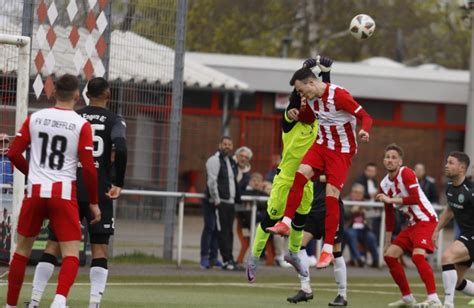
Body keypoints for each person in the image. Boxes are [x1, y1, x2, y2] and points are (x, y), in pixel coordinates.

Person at [27, 77, 128, 308]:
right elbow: (120, 147)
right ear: (108, 94)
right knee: (99, 248)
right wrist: (117, 182)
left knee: (54, 244)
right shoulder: (115, 120)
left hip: (69, 187)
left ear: (84, 94)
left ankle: (34, 300)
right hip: (99, 189)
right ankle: (93, 304)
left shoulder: (76, 116)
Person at [267, 57, 373, 269]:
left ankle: (327, 250)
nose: (301, 94)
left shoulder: (339, 95)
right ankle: (285, 223)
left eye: (301, 90)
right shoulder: (311, 97)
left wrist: (364, 131)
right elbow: (309, 117)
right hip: (322, 145)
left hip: (341, 152)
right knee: (299, 175)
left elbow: (366, 117)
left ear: (311, 83)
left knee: (331, 196)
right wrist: (295, 113)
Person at [5, 74, 100, 308]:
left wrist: (33, 174)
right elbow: (88, 167)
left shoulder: (35, 118)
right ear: (77, 96)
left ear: (53, 92)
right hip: (63, 194)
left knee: (22, 250)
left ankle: (10, 305)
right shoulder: (81, 124)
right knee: (70, 253)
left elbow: (13, 153)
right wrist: (94, 201)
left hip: (35, 192)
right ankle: (59, 301)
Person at [246, 56, 331, 283]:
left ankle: (293, 254)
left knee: (299, 221)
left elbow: (322, 94)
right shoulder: (290, 119)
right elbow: (298, 92)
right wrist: (305, 69)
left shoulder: (316, 123)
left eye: (307, 99)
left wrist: (325, 72)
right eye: (301, 99)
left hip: (307, 181)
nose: (305, 101)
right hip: (285, 179)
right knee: (269, 220)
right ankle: (253, 258)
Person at [376, 143, 441, 307]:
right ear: (384, 160)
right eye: (387, 157)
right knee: (389, 256)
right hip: (412, 225)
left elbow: (414, 198)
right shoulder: (384, 185)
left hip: (426, 220)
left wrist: (391, 200)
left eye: (394, 158)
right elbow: (389, 214)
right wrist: (387, 240)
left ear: (400, 161)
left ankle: (434, 299)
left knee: (418, 257)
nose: (390, 160)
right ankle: (407, 298)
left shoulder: (407, 173)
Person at [287, 175, 348, 306]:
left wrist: (312, 175)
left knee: (336, 252)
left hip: (331, 209)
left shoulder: (334, 158)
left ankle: (342, 294)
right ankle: (305, 289)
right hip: (313, 208)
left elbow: (336, 177)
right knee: (298, 246)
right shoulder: (312, 158)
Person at [432, 152, 474, 308]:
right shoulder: (450, 187)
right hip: (466, 235)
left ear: (461, 168)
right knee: (456, 282)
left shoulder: (471, 191)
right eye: (446, 162)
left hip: (472, 236)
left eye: (450, 163)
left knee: (447, 257)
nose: (446, 165)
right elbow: (449, 211)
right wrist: (436, 230)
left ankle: (448, 305)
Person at [200, 136, 242, 270]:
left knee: (225, 231)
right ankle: (208, 258)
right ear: (220, 145)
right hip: (218, 201)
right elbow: (212, 181)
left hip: (229, 201)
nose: (227, 146)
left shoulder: (230, 161)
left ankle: (219, 258)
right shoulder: (214, 160)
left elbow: (232, 181)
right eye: (225, 144)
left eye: (230, 144)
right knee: (212, 228)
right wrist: (217, 199)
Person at [343, 183, 379, 268]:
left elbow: (374, 213)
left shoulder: (366, 204)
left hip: (364, 229)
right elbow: (343, 216)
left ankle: (376, 260)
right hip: (350, 228)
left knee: (371, 237)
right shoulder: (346, 201)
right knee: (351, 235)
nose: (357, 194)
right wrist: (352, 212)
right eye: (355, 192)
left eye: (359, 193)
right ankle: (359, 259)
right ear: (351, 192)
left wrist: (365, 213)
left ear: (363, 194)